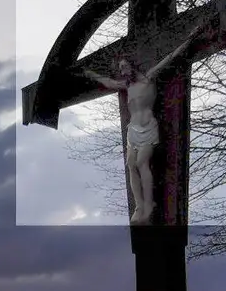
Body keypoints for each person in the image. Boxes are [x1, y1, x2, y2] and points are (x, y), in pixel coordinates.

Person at [82, 23, 208, 224]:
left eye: (125, 66)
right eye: (121, 68)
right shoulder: (126, 86)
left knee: (142, 163)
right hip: (133, 130)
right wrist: (90, 74)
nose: (123, 70)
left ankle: (150, 204)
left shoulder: (148, 79)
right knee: (131, 165)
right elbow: (108, 82)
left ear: (132, 65)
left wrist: (191, 37)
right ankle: (140, 205)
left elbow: (171, 57)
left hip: (149, 127)